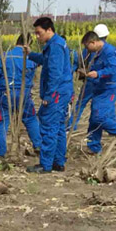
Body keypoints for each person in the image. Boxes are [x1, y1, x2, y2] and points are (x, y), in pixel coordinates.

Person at [26, 16, 73, 174]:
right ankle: (58, 162)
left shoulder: (55, 47)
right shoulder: (54, 45)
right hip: (62, 91)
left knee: (48, 126)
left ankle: (45, 165)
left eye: (39, 33)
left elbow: (55, 73)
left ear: (49, 30)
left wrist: (48, 96)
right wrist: (31, 54)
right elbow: (46, 61)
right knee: (59, 127)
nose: (37, 37)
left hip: (57, 92)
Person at [0, 34, 42, 157]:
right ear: (29, 44)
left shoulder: (5, 55)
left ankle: (1, 151)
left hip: (7, 93)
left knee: (3, 122)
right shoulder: (31, 57)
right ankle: (38, 145)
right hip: (24, 94)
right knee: (30, 119)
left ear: (16, 41)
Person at [80, 31, 116, 154]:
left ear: (93, 42)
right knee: (93, 118)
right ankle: (93, 146)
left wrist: (98, 74)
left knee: (99, 117)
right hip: (99, 87)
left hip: (109, 88)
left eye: (87, 46)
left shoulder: (109, 51)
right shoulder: (97, 52)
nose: (87, 50)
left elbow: (113, 69)